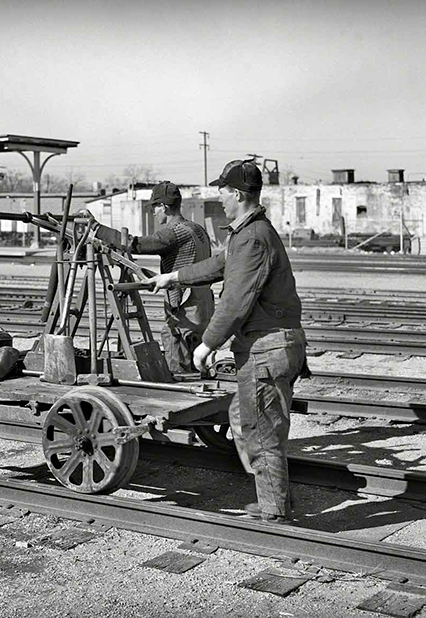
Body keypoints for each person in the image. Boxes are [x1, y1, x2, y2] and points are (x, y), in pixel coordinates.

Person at [147, 161, 308, 523]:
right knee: (243, 415)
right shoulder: (248, 234)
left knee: (259, 428)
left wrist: (207, 344)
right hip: (274, 343)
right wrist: (174, 276)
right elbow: (218, 265)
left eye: (222, 190)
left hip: (267, 346)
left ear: (237, 194)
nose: (218, 197)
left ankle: (275, 514)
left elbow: (236, 299)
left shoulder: (251, 237)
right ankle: (277, 495)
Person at [79, 181, 214, 374]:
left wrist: (97, 228)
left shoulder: (174, 232)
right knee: (197, 361)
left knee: (177, 356)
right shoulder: (198, 229)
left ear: (164, 207)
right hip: (204, 305)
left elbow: (137, 245)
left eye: (154, 207)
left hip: (185, 307)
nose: (153, 212)